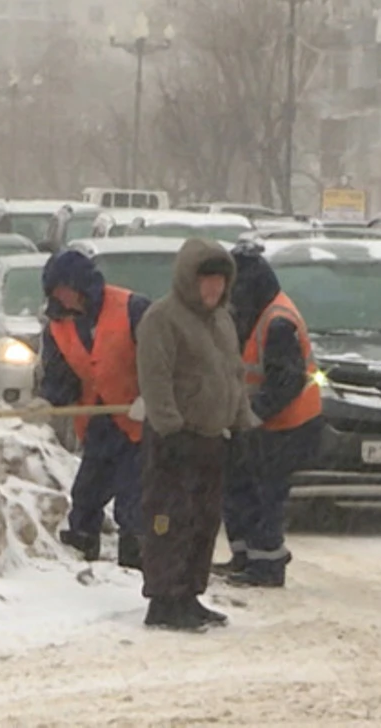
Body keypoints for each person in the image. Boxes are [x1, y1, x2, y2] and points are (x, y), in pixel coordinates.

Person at [134, 239, 258, 632]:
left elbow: (232, 375)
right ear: (188, 279)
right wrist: (171, 429)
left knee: (204, 521)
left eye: (219, 282)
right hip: (174, 440)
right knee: (169, 519)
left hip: (211, 437)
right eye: (205, 281)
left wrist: (242, 424)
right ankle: (164, 598)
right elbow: (155, 379)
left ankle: (189, 593)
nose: (213, 290)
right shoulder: (162, 319)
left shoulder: (222, 320)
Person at [38, 249, 151, 569]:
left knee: (134, 495)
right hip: (98, 422)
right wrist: (49, 400)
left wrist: (151, 397)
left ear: (82, 286)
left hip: (138, 421)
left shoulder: (132, 309)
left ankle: (137, 556)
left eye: (64, 289)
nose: (60, 297)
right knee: (87, 491)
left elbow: (162, 359)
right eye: (54, 292)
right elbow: (61, 377)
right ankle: (81, 548)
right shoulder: (58, 326)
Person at [221, 243, 324, 589]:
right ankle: (245, 556)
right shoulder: (253, 312)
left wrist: (254, 413)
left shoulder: (277, 321)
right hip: (259, 422)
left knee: (266, 493)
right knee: (240, 487)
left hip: (288, 425)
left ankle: (267, 564)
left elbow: (287, 381)